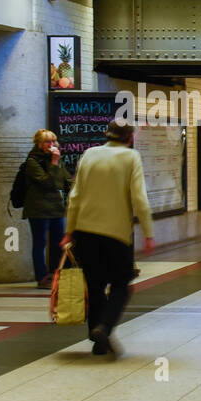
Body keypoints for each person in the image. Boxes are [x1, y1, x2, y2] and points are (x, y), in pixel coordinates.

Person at [59, 119, 154, 356]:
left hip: (85, 232)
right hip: (116, 235)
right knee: (122, 284)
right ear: (130, 138)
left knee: (95, 285)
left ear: (107, 134)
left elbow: (75, 196)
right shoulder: (131, 157)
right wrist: (148, 232)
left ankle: (98, 341)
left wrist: (69, 231)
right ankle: (105, 327)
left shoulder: (89, 154)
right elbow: (139, 199)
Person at [22, 129, 71, 289]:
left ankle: (56, 274)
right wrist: (54, 163)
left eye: (53, 141)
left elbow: (65, 181)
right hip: (38, 209)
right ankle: (42, 276)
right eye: (47, 142)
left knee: (59, 242)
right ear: (39, 144)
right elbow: (48, 183)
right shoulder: (32, 161)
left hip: (56, 208)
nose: (52, 145)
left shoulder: (56, 159)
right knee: (40, 242)